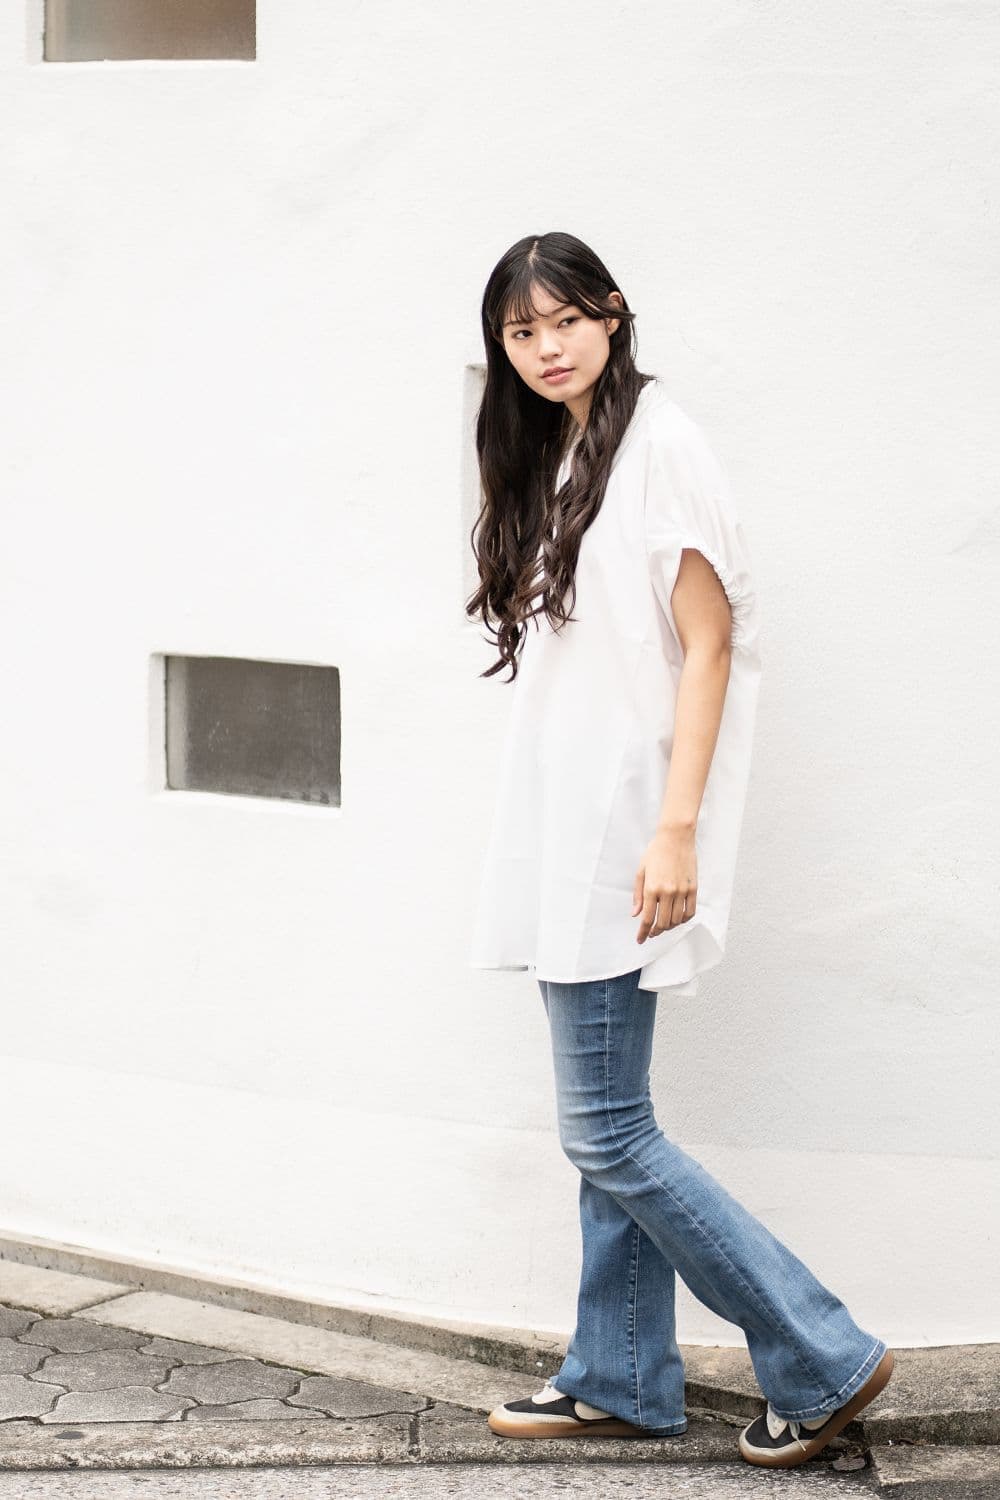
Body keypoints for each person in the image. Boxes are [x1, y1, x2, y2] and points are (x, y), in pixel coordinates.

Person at [464, 231, 894, 1470]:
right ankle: (620, 1376)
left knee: (608, 1133)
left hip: (626, 831)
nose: (546, 348)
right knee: (610, 1126)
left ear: (612, 313)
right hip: (570, 825)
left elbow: (710, 646)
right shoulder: (566, 453)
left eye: (564, 320)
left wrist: (673, 832)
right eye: (520, 332)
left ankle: (820, 1354)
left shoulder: (665, 447)